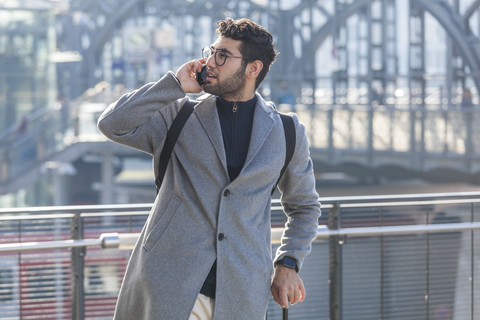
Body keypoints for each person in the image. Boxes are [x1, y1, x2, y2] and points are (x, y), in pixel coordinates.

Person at [98, 17, 321, 320]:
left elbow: (305, 207)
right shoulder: (178, 116)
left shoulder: (287, 131)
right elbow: (112, 124)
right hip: (168, 285)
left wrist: (289, 262)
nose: (209, 62)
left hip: (242, 293)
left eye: (223, 55)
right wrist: (174, 85)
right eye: (212, 51)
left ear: (253, 68)